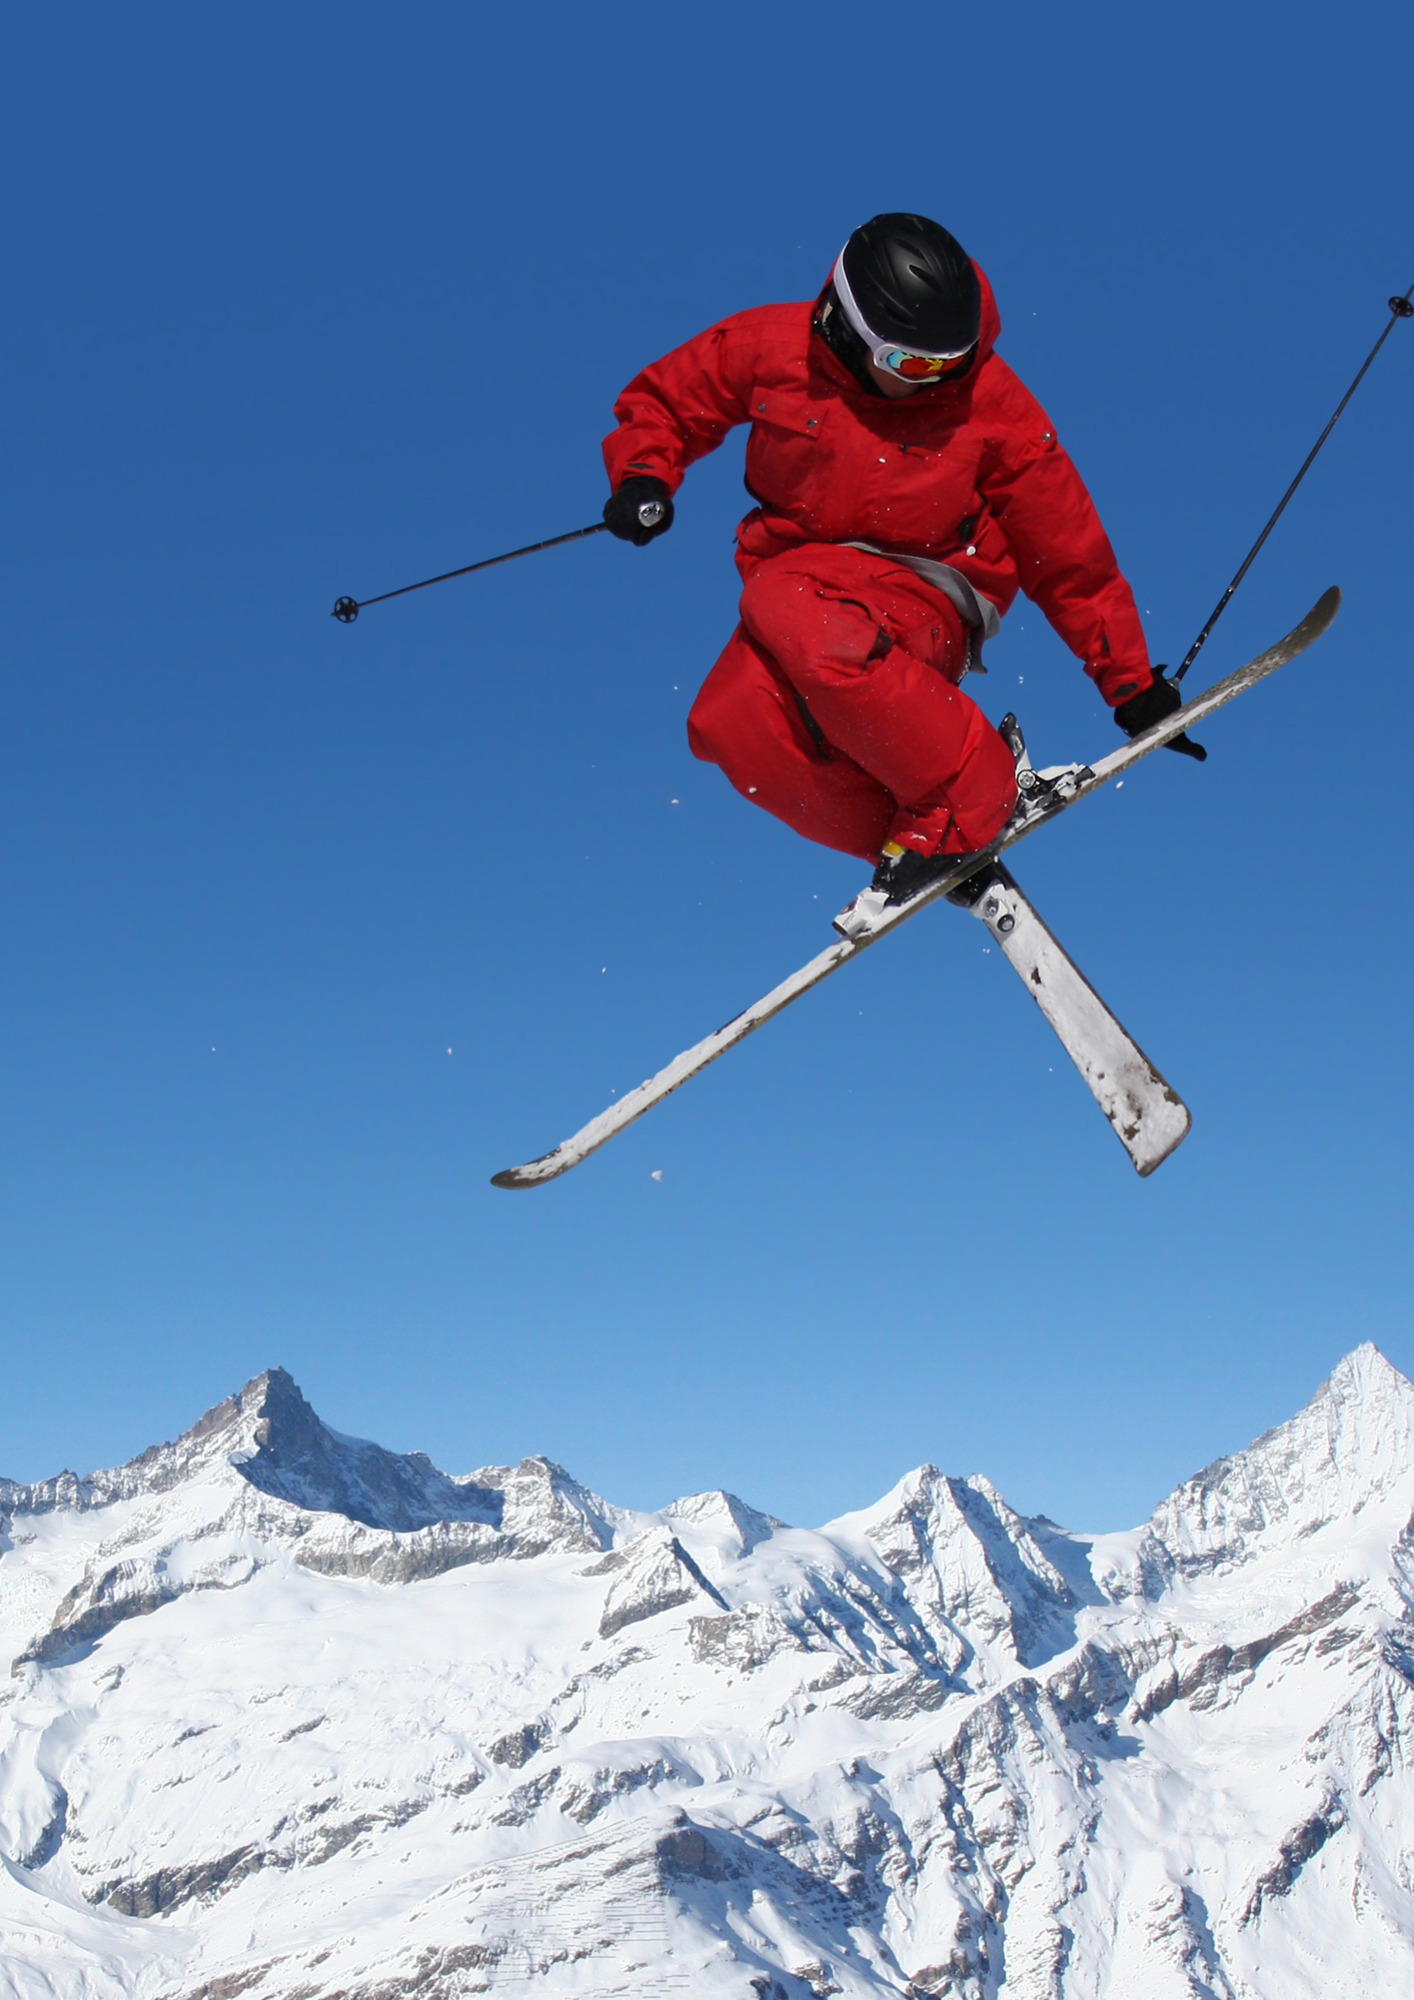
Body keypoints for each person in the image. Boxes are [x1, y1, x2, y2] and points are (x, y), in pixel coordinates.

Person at [601, 212, 1198, 907]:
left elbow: (1066, 551)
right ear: (845, 326)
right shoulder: (770, 347)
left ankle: (973, 789)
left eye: (951, 362)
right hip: (803, 595)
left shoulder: (988, 402)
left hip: (928, 593)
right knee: (729, 724)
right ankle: (922, 840)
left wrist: (1130, 685)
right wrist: (644, 475)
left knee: (782, 600)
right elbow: (670, 400)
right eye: (911, 365)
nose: (933, 383)